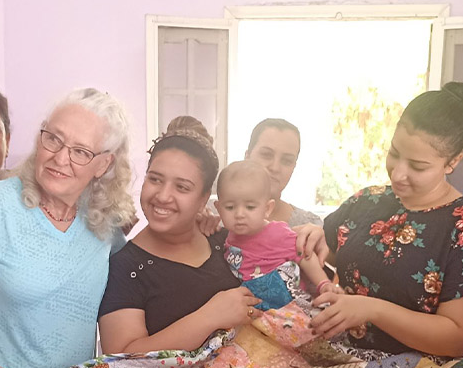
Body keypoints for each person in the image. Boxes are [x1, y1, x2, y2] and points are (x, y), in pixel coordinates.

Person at [0, 88, 135, 368]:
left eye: (80, 151)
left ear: (103, 165)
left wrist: (201, 225)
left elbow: (142, 265)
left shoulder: (105, 222)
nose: (60, 158)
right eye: (53, 139)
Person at [98, 116, 328, 354]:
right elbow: (121, 357)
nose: (163, 196)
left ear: (203, 198)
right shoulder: (125, 266)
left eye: (182, 187)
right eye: (155, 179)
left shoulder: (224, 237)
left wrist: (310, 234)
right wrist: (210, 316)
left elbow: (282, 248)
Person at [315, 82, 463, 357]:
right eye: (394, 154)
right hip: (339, 356)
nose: (398, 174)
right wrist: (312, 235)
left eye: (417, 166)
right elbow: (323, 252)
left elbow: (457, 337)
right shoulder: (367, 201)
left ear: (452, 161)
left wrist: (372, 309)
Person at [216, 160, 329, 295]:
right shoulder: (224, 236)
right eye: (230, 207)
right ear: (219, 208)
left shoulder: (279, 233)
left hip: (286, 305)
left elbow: (304, 255)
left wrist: (323, 283)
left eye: (250, 207)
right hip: (252, 306)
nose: (239, 214)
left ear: (267, 208)